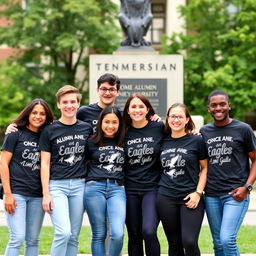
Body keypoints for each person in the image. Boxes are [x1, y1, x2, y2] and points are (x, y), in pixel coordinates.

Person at [200, 90, 256, 256]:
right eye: (214, 105)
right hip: (211, 195)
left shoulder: (243, 129)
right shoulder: (204, 131)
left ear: (229, 106)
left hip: (235, 194)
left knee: (227, 239)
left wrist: (247, 187)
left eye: (222, 104)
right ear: (209, 108)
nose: (219, 108)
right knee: (217, 243)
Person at [39, 85, 91, 256]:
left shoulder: (86, 128)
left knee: (74, 236)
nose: (69, 105)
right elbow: (45, 163)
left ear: (78, 104)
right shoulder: (49, 129)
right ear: (59, 105)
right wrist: (46, 193)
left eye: (72, 102)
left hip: (79, 185)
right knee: (63, 233)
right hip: (57, 186)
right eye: (65, 102)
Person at [0, 99, 54, 256]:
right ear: (28, 114)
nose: (38, 116)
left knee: (33, 240)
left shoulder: (47, 136)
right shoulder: (15, 133)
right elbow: (3, 164)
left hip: (37, 195)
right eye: (34, 112)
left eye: (42, 113)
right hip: (16, 193)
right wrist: (8, 194)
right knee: (17, 238)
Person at [156, 103, 208, 256]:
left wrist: (198, 193)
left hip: (190, 197)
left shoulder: (196, 140)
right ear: (168, 119)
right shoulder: (162, 141)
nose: (176, 120)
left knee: (189, 241)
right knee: (174, 243)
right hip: (166, 197)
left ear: (187, 120)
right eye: (173, 116)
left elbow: (205, 168)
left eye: (180, 116)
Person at [123, 93, 164, 256]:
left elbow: (179, 135)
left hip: (152, 188)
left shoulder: (159, 127)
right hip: (129, 189)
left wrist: (193, 131)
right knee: (134, 235)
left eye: (141, 106)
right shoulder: (123, 130)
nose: (137, 109)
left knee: (148, 231)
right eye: (133, 106)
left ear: (148, 109)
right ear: (127, 110)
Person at [84, 106, 126, 256]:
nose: (110, 126)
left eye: (114, 122)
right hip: (94, 187)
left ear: (120, 124)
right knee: (99, 234)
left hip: (117, 189)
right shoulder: (90, 142)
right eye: (107, 121)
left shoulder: (124, 141)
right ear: (100, 122)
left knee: (117, 233)